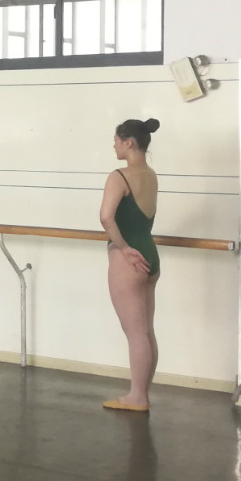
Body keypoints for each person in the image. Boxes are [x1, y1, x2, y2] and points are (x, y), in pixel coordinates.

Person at [101, 117, 162, 413]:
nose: (113, 145)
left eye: (116, 140)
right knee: (146, 331)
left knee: (135, 333)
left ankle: (138, 397)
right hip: (150, 253)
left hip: (129, 259)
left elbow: (106, 217)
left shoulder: (119, 176)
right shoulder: (150, 175)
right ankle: (142, 394)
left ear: (128, 142)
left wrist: (123, 248)